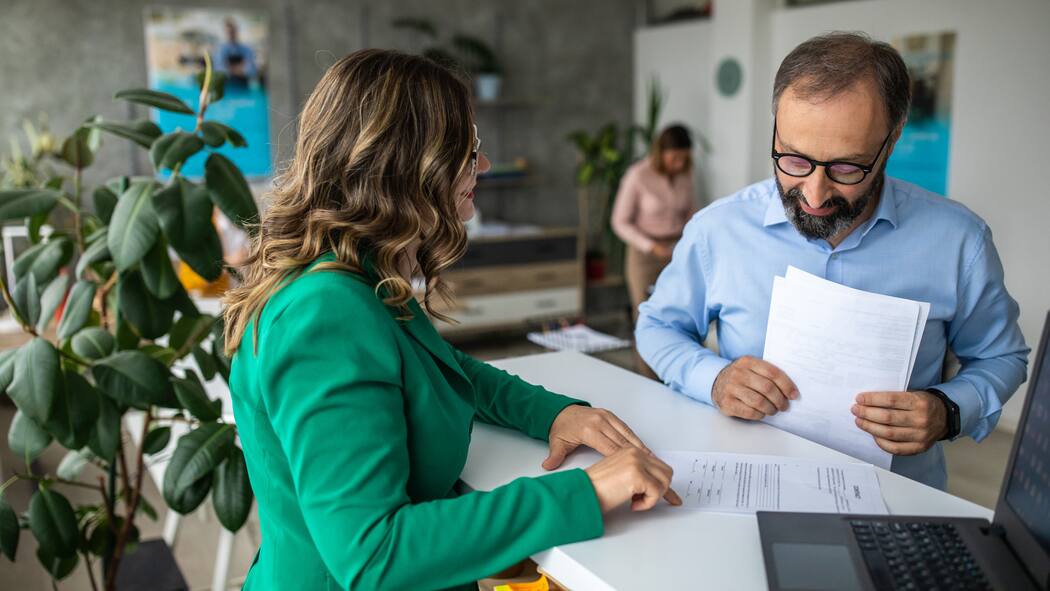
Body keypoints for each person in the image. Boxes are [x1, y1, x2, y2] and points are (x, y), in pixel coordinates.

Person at [222, 49, 680, 591]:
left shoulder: (354, 272)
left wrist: (553, 415)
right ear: (407, 164)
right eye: (468, 151)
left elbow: (438, 367)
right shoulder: (328, 312)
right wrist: (584, 492)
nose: (482, 167)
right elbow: (373, 555)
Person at [635, 32, 1029, 490]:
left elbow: (1002, 356)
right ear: (776, 129)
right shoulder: (718, 231)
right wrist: (714, 379)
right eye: (794, 160)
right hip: (745, 490)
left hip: (897, 500)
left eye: (846, 167)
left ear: (892, 139)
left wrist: (949, 409)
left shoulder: (960, 241)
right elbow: (656, 326)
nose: (815, 194)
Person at [612, 124, 697, 378]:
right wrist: (651, 246)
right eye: (674, 158)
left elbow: (693, 214)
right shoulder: (637, 175)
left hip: (677, 251)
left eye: (684, 158)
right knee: (646, 316)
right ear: (661, 152)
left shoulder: (685, 177)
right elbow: (619, 222)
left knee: (680, 313)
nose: (679, 164)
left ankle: (677, 375)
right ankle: (647, 377)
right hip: (644, 254)